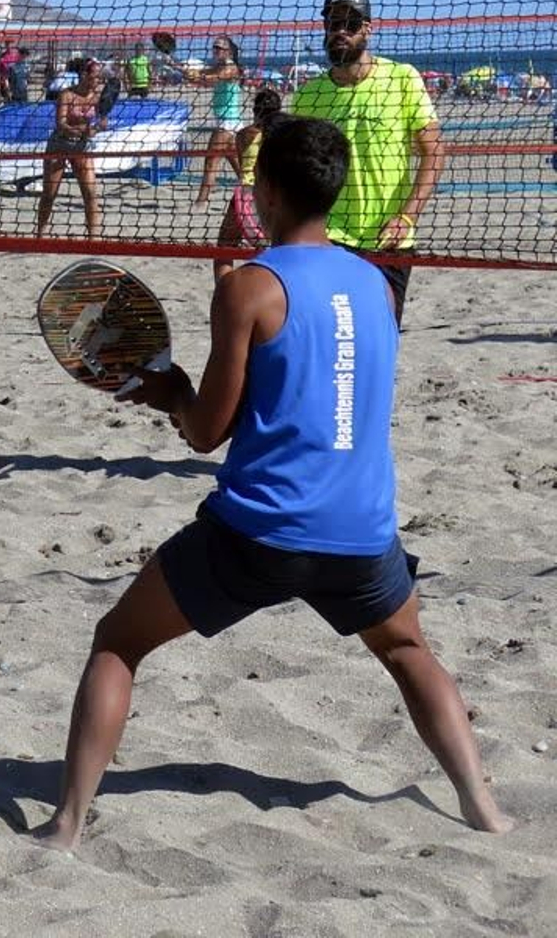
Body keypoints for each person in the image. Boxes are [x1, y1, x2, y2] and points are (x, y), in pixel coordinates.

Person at [31, 115, 511, 853]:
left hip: (260, 531)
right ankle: (484, 807)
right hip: (362, 529)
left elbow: (206, 432)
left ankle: (66, 825)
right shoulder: (378, 284)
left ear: (268, 191)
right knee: (408, 651)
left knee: (117, 643)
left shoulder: (248, 288)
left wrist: (171, 392)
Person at [291, 0, 442, 324]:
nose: (341, 31)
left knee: (380, 341)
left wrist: (407, 218)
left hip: (388, 239)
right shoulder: (308, 96)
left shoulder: (402, 78)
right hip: (326, 239)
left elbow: (434, 153)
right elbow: (298, 171)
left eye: (351, 24)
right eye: (334, 24)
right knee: (331, 338)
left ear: (368, 29)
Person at [212, 87, 283, 282]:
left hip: (244, 194)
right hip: (270, 195)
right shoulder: (283, 136)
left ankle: (223, 287)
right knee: (272, 249)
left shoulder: (243, 134)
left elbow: (245, 164)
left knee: (224, 247)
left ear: (254, 111)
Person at [35, 58, 106, 241]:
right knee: (49, 193)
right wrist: (80, 130)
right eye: (95, 77)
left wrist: (96, 128)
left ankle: (93, 238)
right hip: (59, 144)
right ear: (84, 75)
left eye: (100, 77)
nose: (98, 80)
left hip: (81, 146)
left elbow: (103, 122)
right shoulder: (66, 95)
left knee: (90, 193)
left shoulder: (98, 97)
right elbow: (61, 124)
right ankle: (40, 235)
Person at [190, 35, 244, 205]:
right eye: (214, 47)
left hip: (228, 123)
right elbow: (202, 77)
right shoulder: (218, 67)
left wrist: (198, 75)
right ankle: (256, 195)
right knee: (239, 168)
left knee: (210, 162)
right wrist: (185, 71)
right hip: (229, 122)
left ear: (228, 52)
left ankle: (200, 202)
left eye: (219, 48)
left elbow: (213, 77)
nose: (215, 50)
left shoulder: (231, 68)